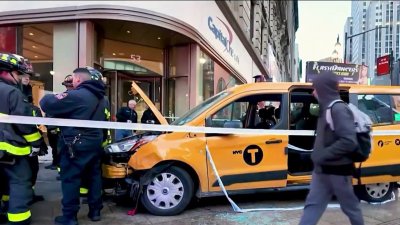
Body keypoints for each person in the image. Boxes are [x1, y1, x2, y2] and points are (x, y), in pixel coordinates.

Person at [40, 67, 107, 225]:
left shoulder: (77, 95)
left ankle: (69, 217)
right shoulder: (102, 98)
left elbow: (46, 103)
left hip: (75, 144)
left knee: (71, 179)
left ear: (77, 79)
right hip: (95, 142)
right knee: (94, 177)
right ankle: (95, 211)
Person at [298, 72, 364, 225]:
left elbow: (349, 141)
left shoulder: (338, 109)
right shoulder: (325, 108)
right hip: (322, 172)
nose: (313, 92)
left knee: (351, 208)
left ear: (324, 88)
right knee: (312, 207)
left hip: (339, 172)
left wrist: (321, 155)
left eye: (316, 88)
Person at [0, 53, 45, 225]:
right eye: (18, 74)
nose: (20, 77)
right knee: (20, 182)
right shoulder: (12, 92)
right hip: (10, 150)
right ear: (7, 72)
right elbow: (23, 124)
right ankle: (19, 219)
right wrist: (37, 143)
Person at [45, 75, 73, 171]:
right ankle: (58, 166)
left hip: (66, 132)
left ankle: (62, 168)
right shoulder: (62, 97)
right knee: (57, 149)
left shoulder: (73, 97)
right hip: (57, 130)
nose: (68, 87)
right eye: (67, 85)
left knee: (63, 151)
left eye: (69, 85)